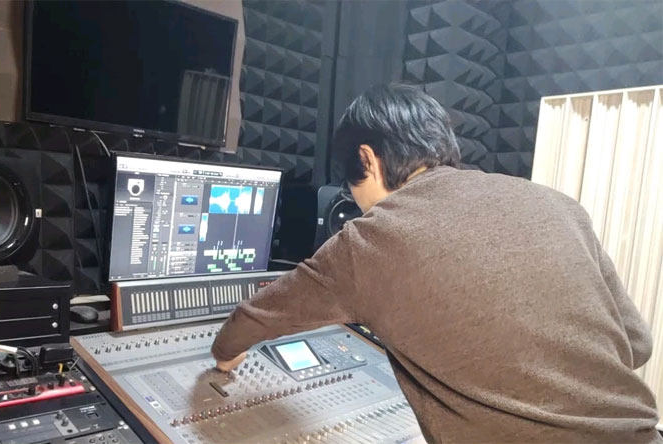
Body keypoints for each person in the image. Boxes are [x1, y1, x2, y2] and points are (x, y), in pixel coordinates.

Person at [210, 83, 661, 443]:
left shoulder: (372, 237)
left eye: (352, 186)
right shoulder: (559, 205)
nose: (357, 203)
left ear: (367, 158)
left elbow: (253, 319)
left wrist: (226, 356)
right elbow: (637, 344)